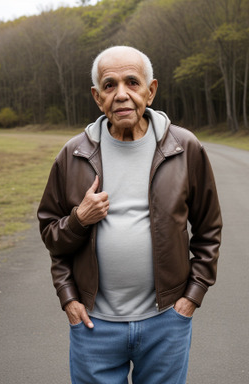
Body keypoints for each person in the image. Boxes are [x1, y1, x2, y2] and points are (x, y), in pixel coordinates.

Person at [37, 46, 222, 384]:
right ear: (97, 97)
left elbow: (209, 229)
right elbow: (51, 233)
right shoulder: (73, 155)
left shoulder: (184, 147)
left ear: (150, 91)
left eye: (132, 82)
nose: (121, 94)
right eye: (109, 85)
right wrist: (79, 221)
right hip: (94, 325)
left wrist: (191, 299)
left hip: (166, 321)